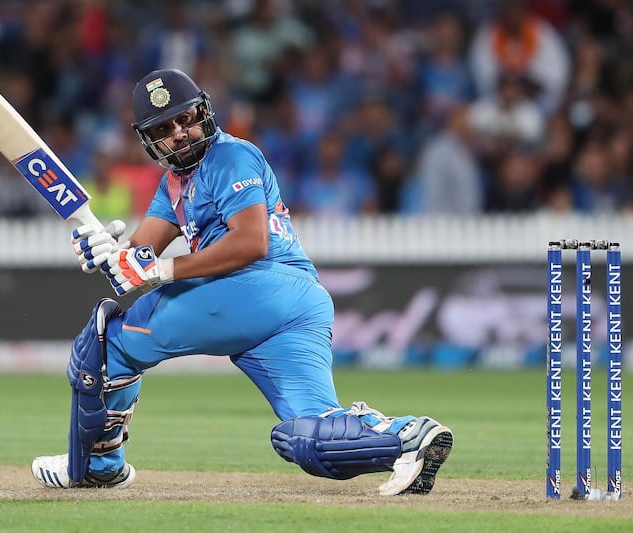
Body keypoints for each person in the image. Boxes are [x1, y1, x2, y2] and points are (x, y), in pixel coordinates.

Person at [30, 69, 453, 495]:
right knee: (309, 438)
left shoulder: (231, 156)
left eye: (187, 118)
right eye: (165, 128)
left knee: (106, 343)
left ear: (204, 111)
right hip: (297, 305)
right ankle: (406, 437)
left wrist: (161, 270)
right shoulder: (173, 183)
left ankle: (97, 465)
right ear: (149, 139)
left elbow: (250, 243)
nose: (180, 133)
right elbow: (136, 261)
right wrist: (105, 249)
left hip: (260, 286)